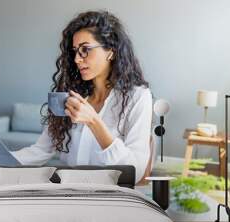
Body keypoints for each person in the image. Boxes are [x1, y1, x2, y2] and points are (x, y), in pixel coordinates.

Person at [11, 10, 152, 183]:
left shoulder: (138, 97)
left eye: (85, 49)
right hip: (68, 194)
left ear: (111, 51)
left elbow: (135, 173)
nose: (77, 59)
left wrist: (94, 122)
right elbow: (40, 151)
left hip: (110, 199)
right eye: (75, 51)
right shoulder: (70, 95)